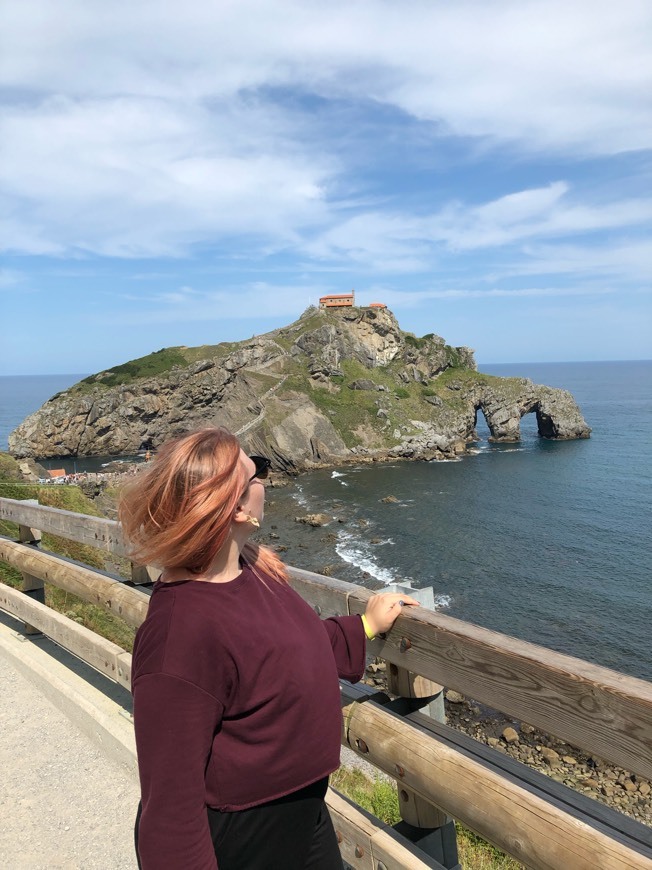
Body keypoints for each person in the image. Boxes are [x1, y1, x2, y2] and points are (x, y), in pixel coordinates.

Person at [119, 427, 417, 870]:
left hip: (305, 812)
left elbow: (295, 648)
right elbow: (170, 808)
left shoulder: (253, 570)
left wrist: (366, 626)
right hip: (246, 833)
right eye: (256, 472)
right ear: (237, 508)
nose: (264, 477)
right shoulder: (178, 636)